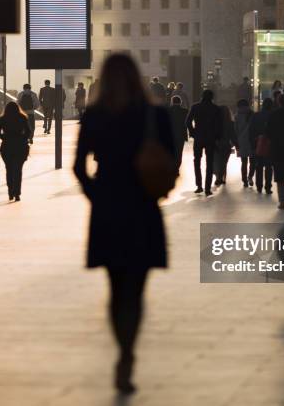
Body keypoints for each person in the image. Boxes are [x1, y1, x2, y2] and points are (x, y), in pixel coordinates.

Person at [73, 54, 174, 395]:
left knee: (116, 288)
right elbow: (172, 160)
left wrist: (95, 195)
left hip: (108, 210)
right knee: (137, 288)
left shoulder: (95, 116)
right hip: (143, 209)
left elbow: (78, 167)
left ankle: (123, 350)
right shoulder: (154, 114)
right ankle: (130, 350)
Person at [186, 89, 221, 196]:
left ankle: (199, 185)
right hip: (211, 138)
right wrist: (217, 137)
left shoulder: (195, 107)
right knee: (209, 163)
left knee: (197, 161)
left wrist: (193, 132)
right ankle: (207, 188)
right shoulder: (215, 109)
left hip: (199, 137)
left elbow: (187, 121)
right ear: (212, 97)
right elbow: (219, 125)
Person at [0, 101, 30, 202]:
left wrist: (5, 137)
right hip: (20, 147)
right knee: (18, 171)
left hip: (7, 147)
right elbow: (28, 132)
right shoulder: (23, 118)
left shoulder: (3, 118)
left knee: (9, 170)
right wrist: (22, 138)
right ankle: (17, 193)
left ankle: (10, 192)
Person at [249, 98, 274, 194]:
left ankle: (259, 186)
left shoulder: (256, 115)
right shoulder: (273, 116)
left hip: (258, 143)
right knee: (268, 166)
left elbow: (251, 130)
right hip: (270, 143)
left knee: (258, 166)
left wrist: (252, 142)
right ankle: (268, 187)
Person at [214, 105, 238, 186]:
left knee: (217, 162)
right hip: (226, 146)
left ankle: (218, 177)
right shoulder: (231, 123)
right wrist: (236, 144)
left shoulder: (215, 123)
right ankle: (222, 178)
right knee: (224, 162)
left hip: (216, 145)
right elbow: (233, 135)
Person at [234, 99, 255, 187]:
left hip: (241, 141)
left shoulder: (237, 116)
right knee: (253, 161)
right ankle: (250, 176)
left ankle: (244, 180)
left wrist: (235, 142)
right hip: (252, 141)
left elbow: (235, 130)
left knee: (244, 162)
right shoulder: (252, 115)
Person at [168, 95, 188, 170]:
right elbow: (187, 123)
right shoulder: (185, 111)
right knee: (179, 152)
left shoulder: (167, 110)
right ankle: (177, 167)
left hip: (170, 135)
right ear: (180, 102)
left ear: (172, 101)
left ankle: (171, 166)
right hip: (181, 135)